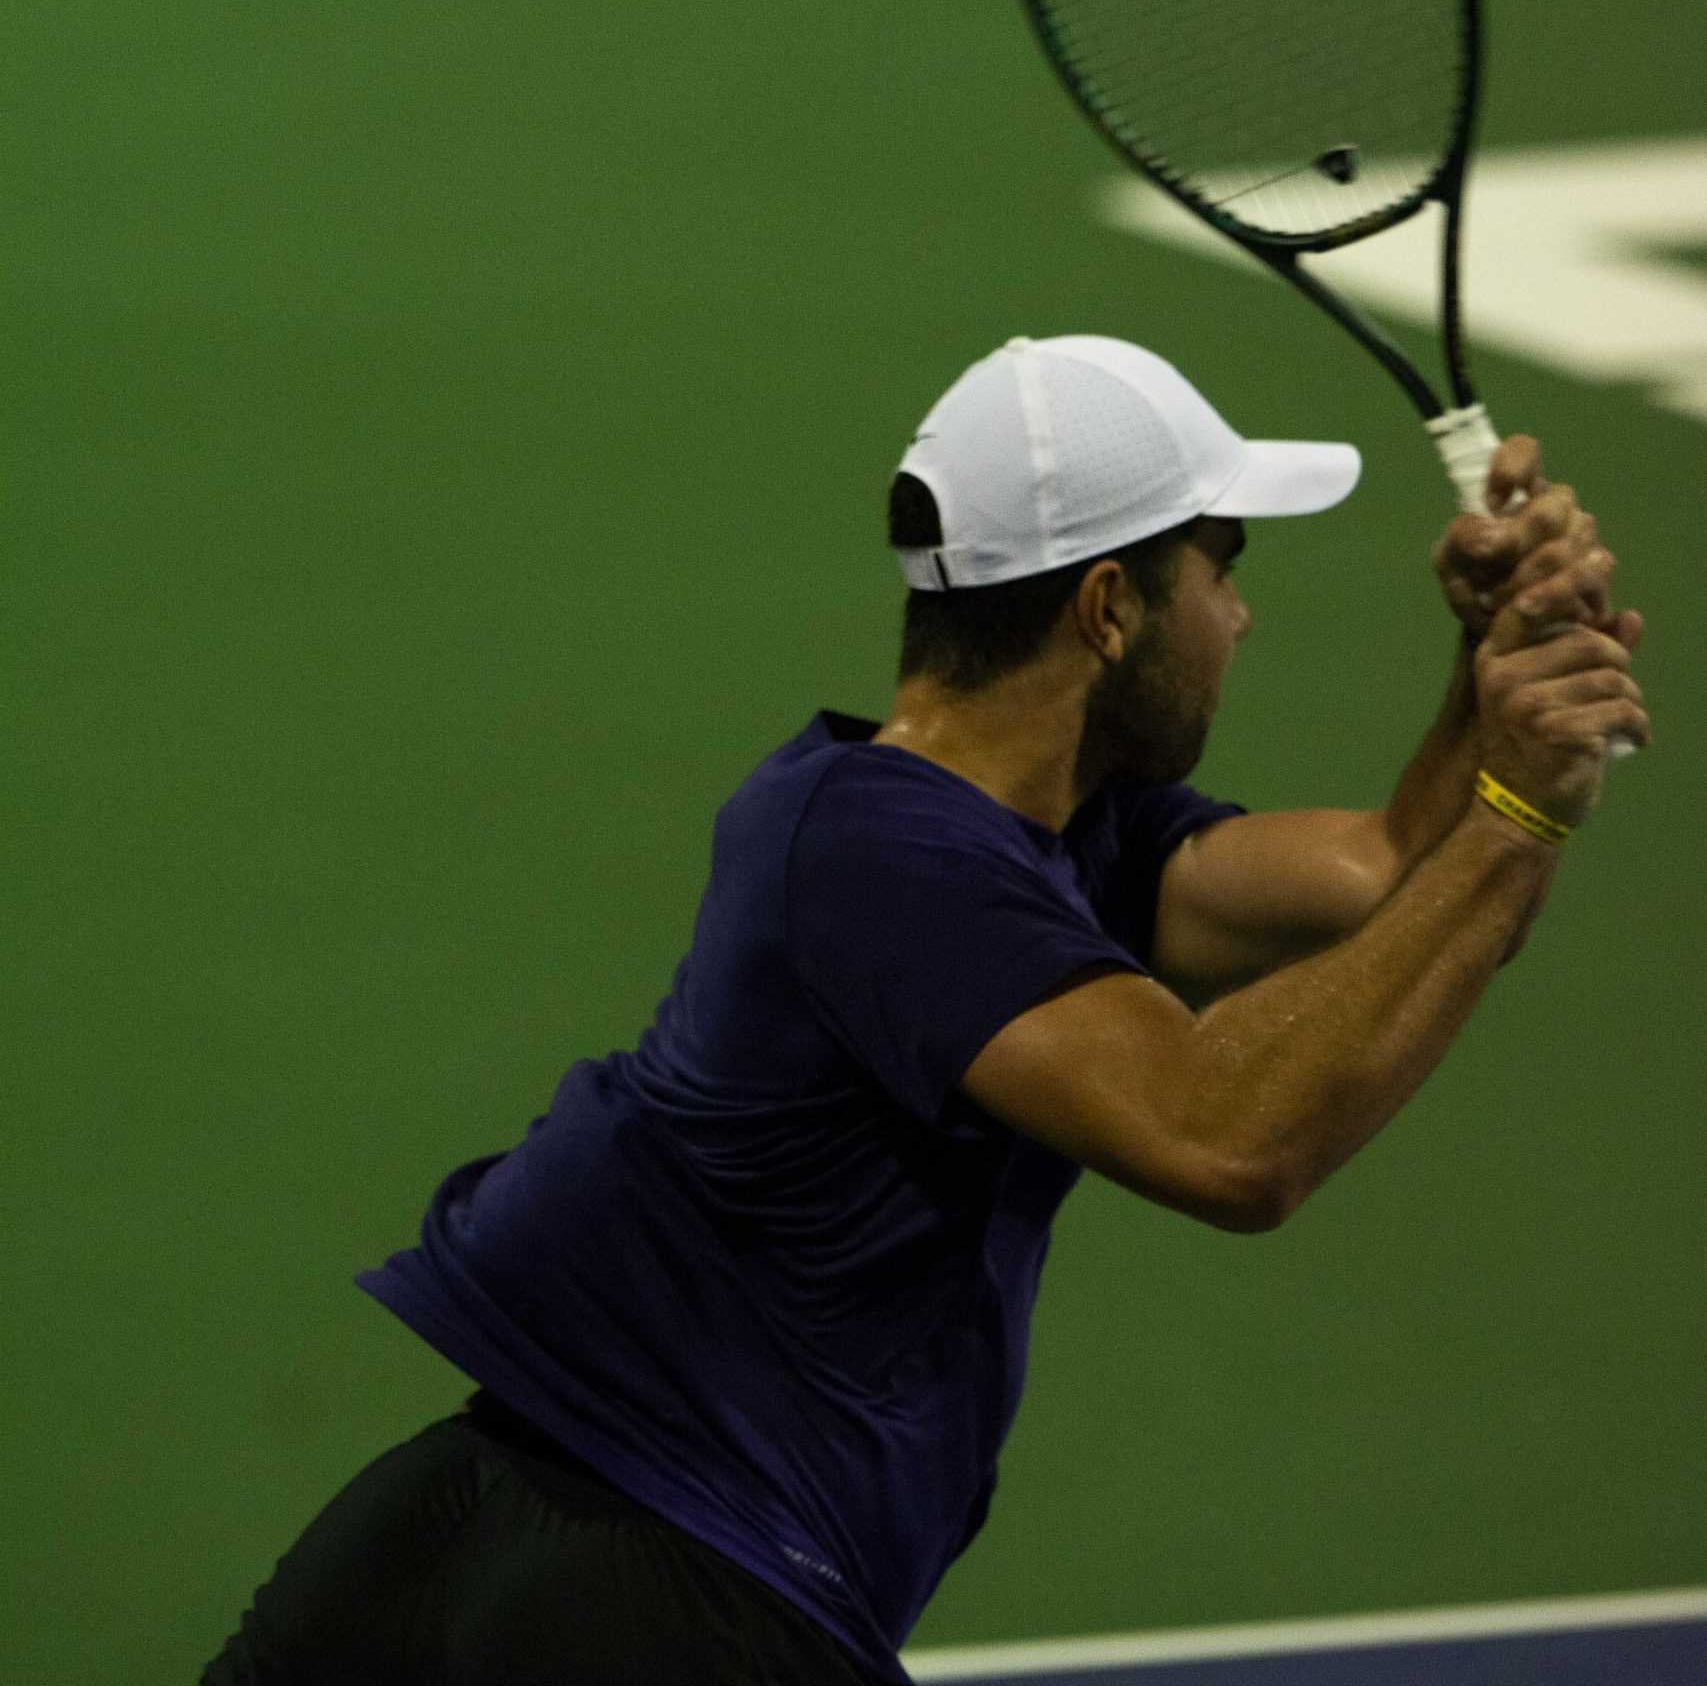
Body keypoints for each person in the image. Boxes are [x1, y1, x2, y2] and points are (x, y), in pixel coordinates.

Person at [201, 334, 1646, 1686]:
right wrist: (1521, 811)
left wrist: (1492, 666)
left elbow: (1394, 883)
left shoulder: (1040, 839)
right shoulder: (885, 854)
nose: (1244, 613)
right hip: (671, 1600)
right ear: (1108, 606)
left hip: (457, 1534)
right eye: (1224, 563)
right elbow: (1228, 1141)